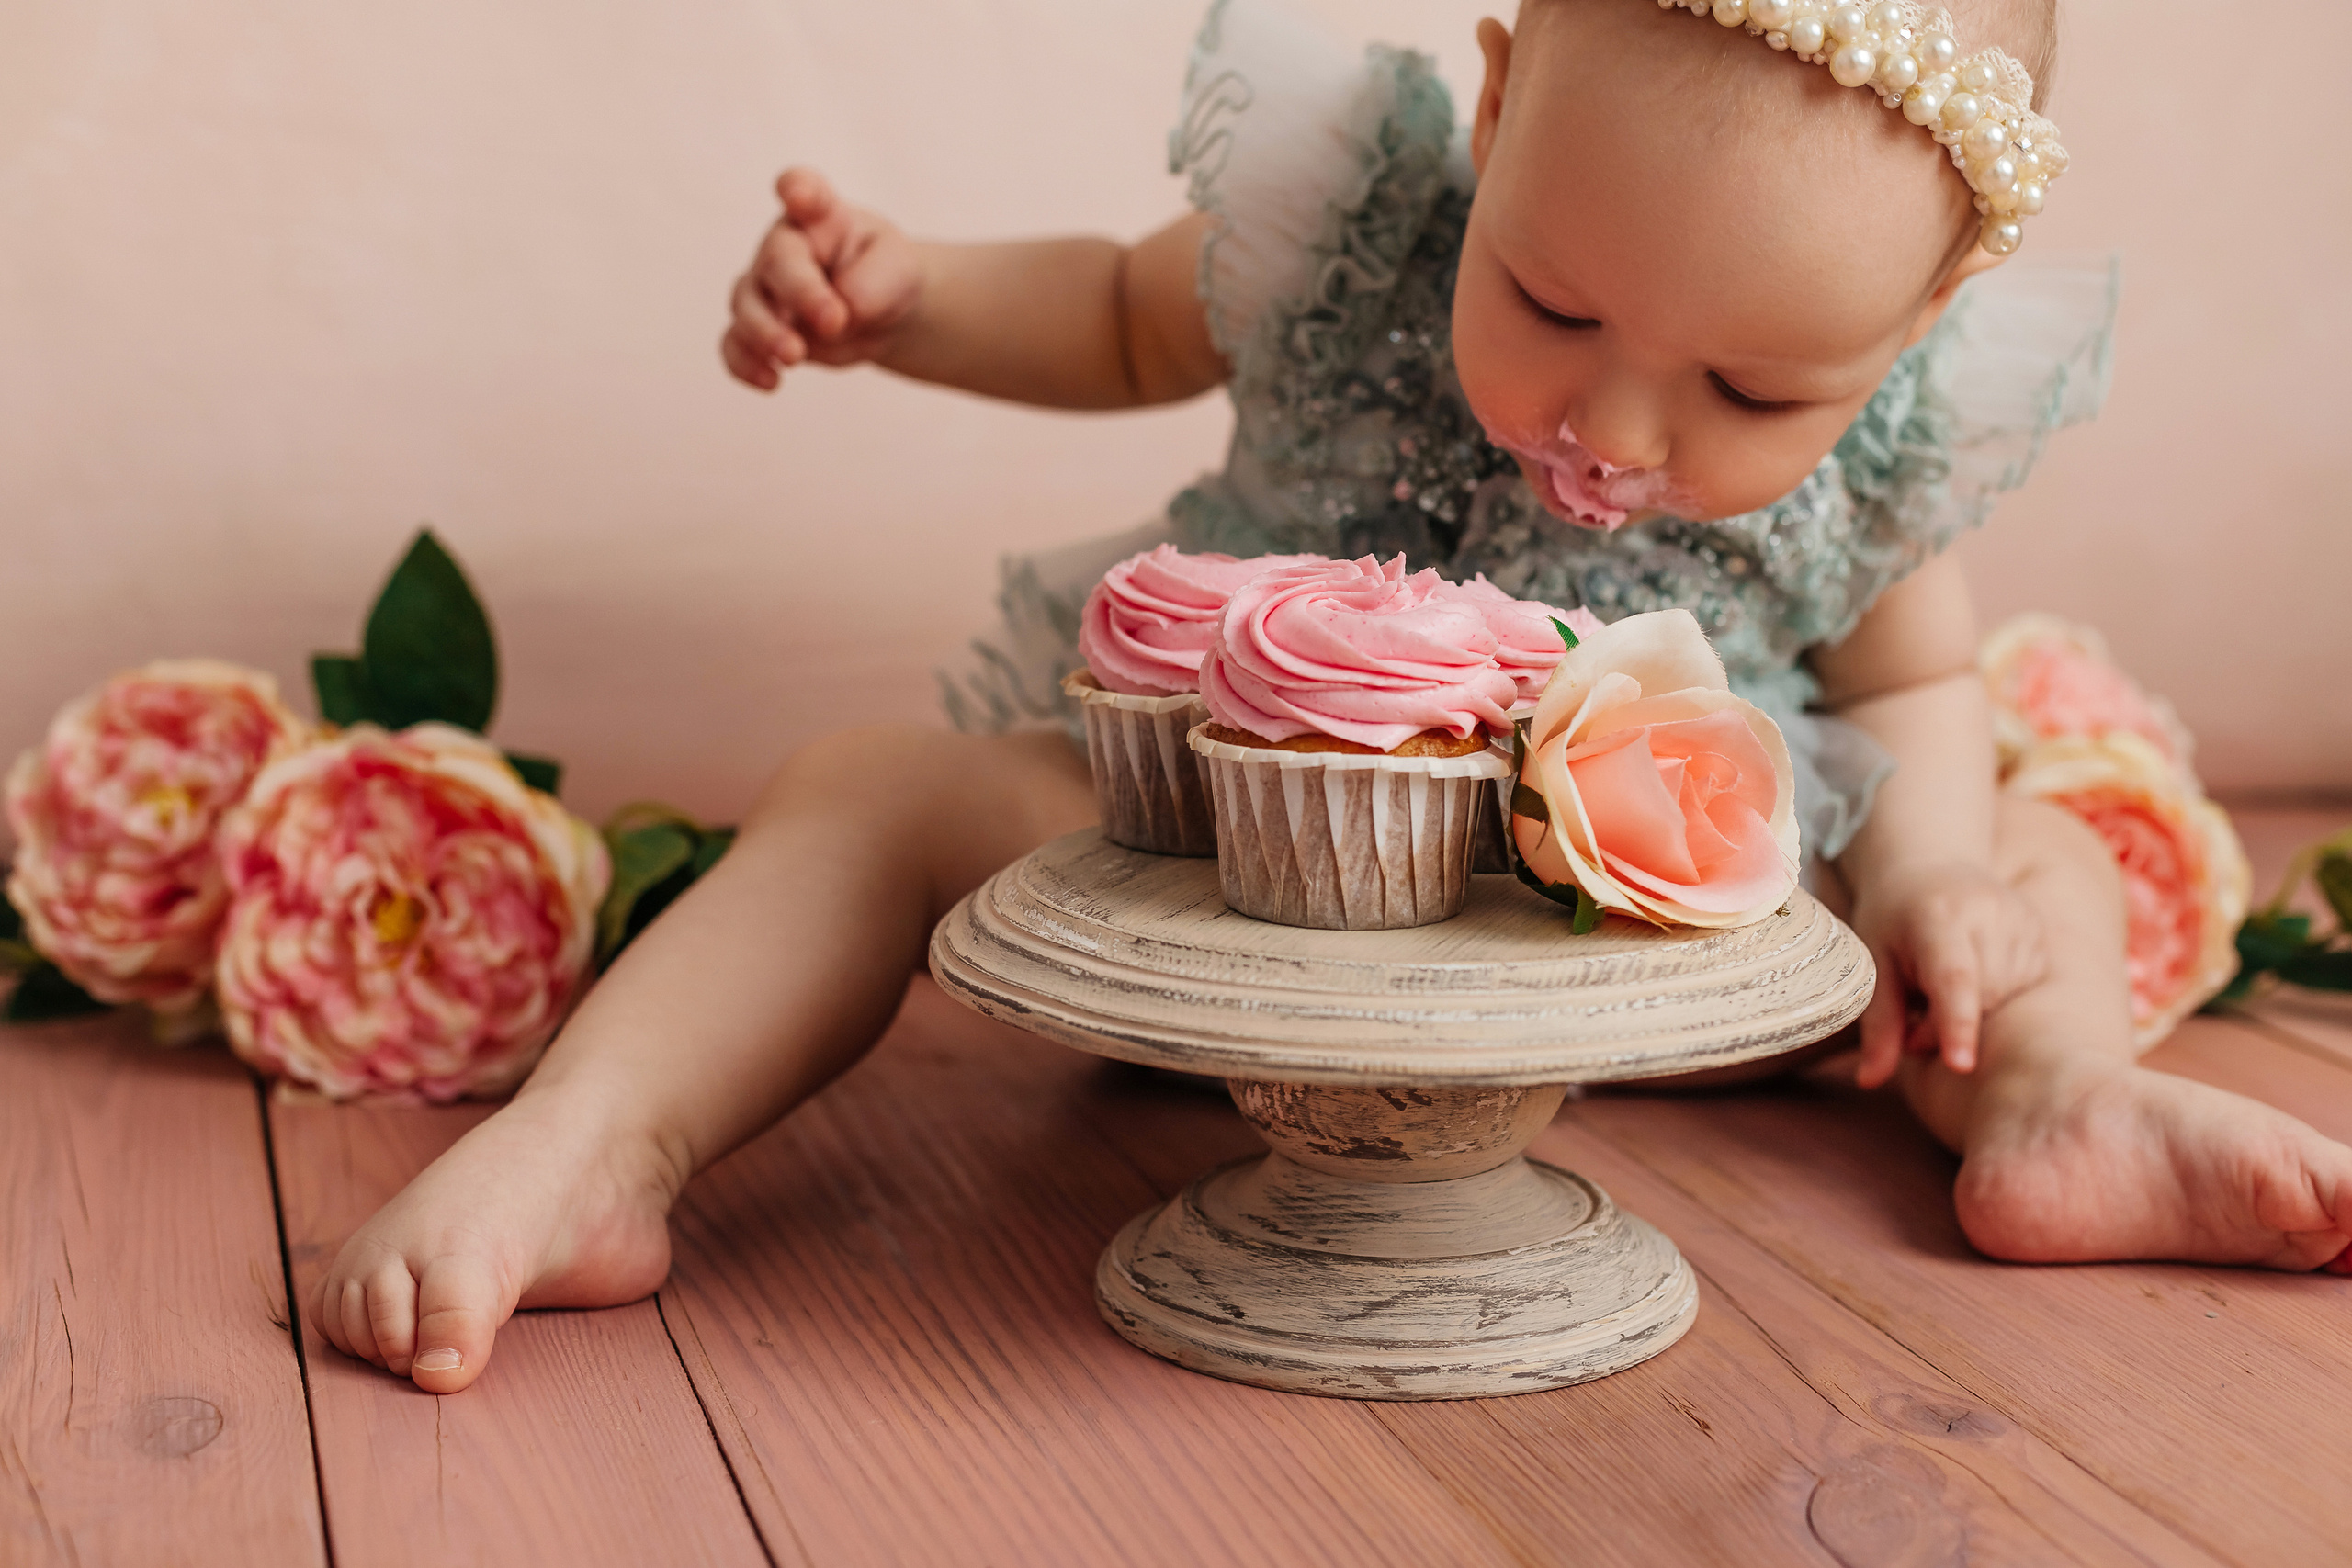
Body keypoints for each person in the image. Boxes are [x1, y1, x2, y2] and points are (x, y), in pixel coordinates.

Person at [308, 0, 2352, 1394]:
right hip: (1230, 889)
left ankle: (2051, 1099)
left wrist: (1930, 884)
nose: (1616, 427)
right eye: (1551, 300)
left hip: (1643, 938)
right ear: (1492, 108)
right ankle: (601, 1137)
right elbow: (1118, 305)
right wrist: (905, 301)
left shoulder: (1898, 433)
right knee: (873, 784)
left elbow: (1903, 680)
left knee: (2027, 863)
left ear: (1916, 319)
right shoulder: (1362, 229)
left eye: (1751, 392)